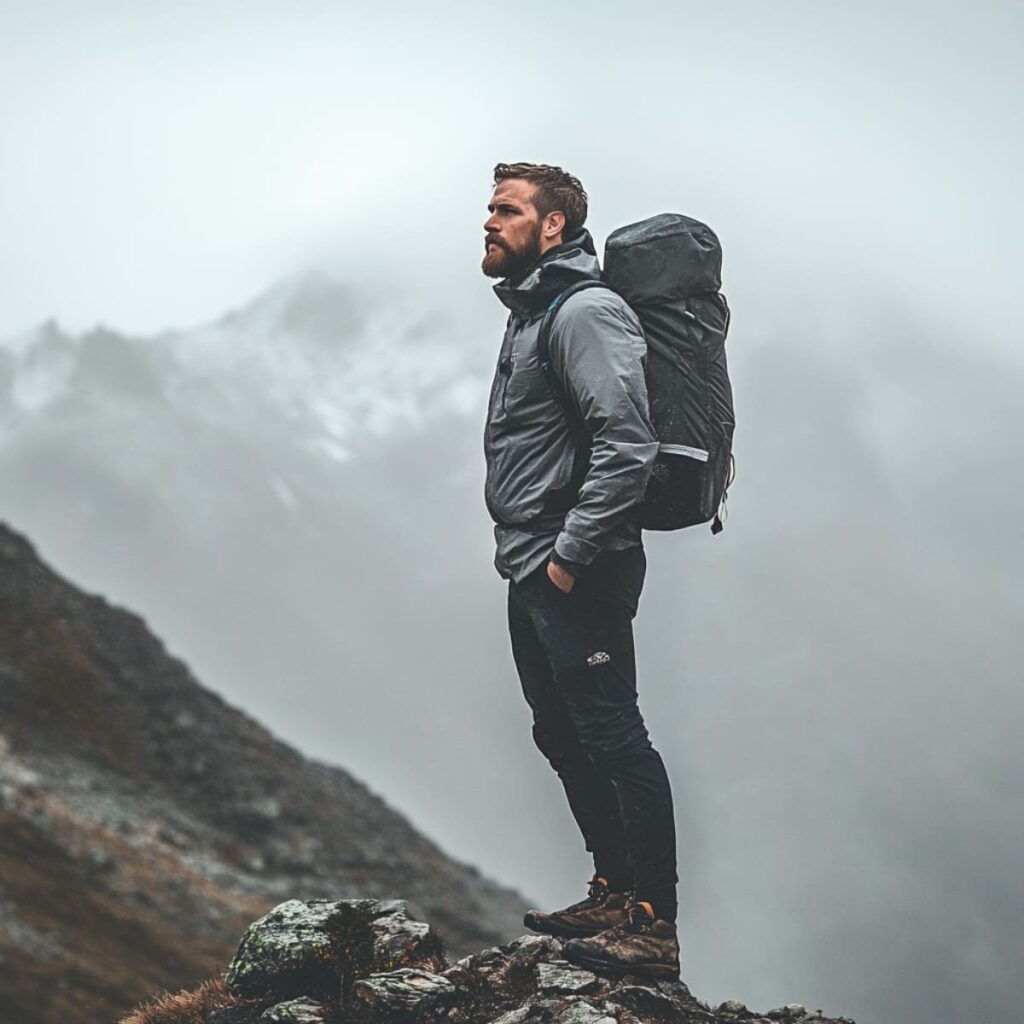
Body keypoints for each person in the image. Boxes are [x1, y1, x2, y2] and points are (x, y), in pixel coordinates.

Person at [481, 162, 680, 979]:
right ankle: (611, 889)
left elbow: (625, 439)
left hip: (577, 566)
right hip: (530, 564)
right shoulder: (530, 313)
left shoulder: (583, 311)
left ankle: (651, 923)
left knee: (613, 734)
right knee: (559, 731)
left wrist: (568, 557)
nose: (488, 222)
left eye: (506, 210)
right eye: (488, 209)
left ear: (553, 226)